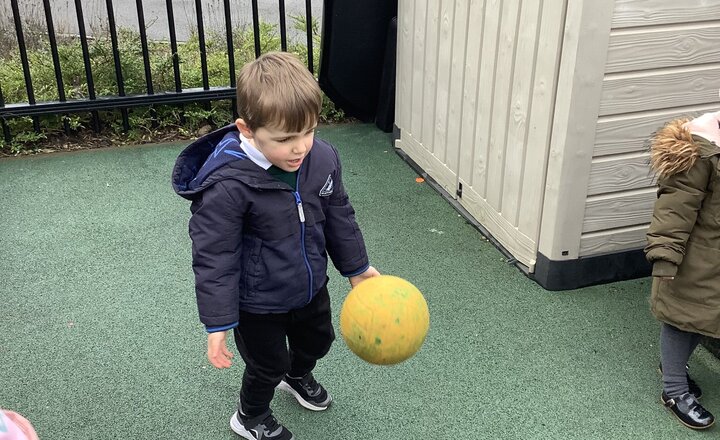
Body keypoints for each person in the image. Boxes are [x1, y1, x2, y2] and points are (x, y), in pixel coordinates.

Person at [172, 51, 379, 440]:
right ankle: (249, 416)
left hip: (308, 282)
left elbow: (339, 215)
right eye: (285, 139)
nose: (300, 147)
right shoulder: (227, 186)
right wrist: (217, 322)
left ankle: (297, 376)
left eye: (308, 132)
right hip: (258, 301)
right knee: (267, 363)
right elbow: (215, 257)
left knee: (318, 340)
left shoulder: (321, 158)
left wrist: (356, 268)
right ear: (247, 129)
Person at [645, 109, 720, 430]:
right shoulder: (700, 151)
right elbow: (674, 208)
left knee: (703, 317)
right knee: (682, 319)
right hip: (695, 257)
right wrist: (665, 256)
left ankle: (673, 370)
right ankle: (674, 390)